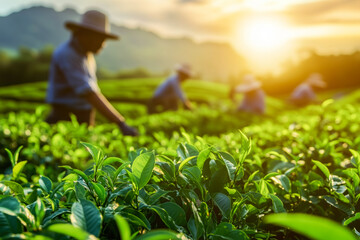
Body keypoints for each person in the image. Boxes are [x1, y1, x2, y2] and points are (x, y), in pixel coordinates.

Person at [45, 10, 137, 136]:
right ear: (86, 35)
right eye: (101, 39)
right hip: (65, 116)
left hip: (83, 114)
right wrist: (120, 123)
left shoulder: (86, 55)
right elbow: (88, 92)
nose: (103, 45)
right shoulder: (67, 54)